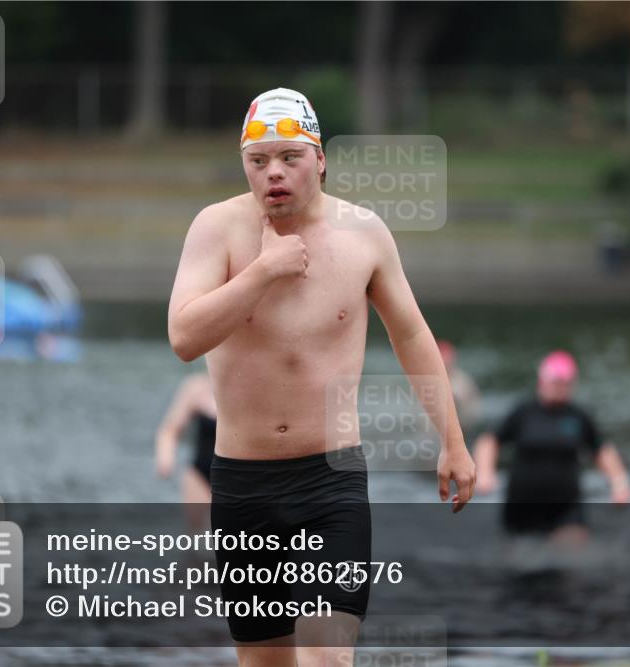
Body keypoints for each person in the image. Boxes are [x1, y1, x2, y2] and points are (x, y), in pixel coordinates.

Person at [167, 88, 475, 666]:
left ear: (321, 158)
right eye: (258, 162)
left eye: (290, 158)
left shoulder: (365, 234)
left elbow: (412, 336)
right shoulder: (216, 229)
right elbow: (184, 337)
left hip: (329, 484)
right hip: (241, 485)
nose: (273, 174)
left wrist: (453, 443)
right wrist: (262, 272)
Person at [474, 350, 630, 545]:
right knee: (519, 564)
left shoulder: (578, 416)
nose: (560, 388)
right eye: (555, 382)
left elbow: (602, 450)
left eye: (565, 384)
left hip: (565, 507)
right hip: (521, 505)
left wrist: (619, 483)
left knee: (570, 556)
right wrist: (485, 473)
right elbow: (489, 442)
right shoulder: (524, 412)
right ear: (542, 381)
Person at [154, 372, 218, 530]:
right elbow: (170, 430)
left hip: (236, 476)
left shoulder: (246, 389)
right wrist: (165, 457)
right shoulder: (197, 387)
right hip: (200, 474)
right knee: (196, 536)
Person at [436, 339, 482, 439]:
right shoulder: (425, 381)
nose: (445, 362)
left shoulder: (463, 381)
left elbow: (473, 409)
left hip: (462, 428)